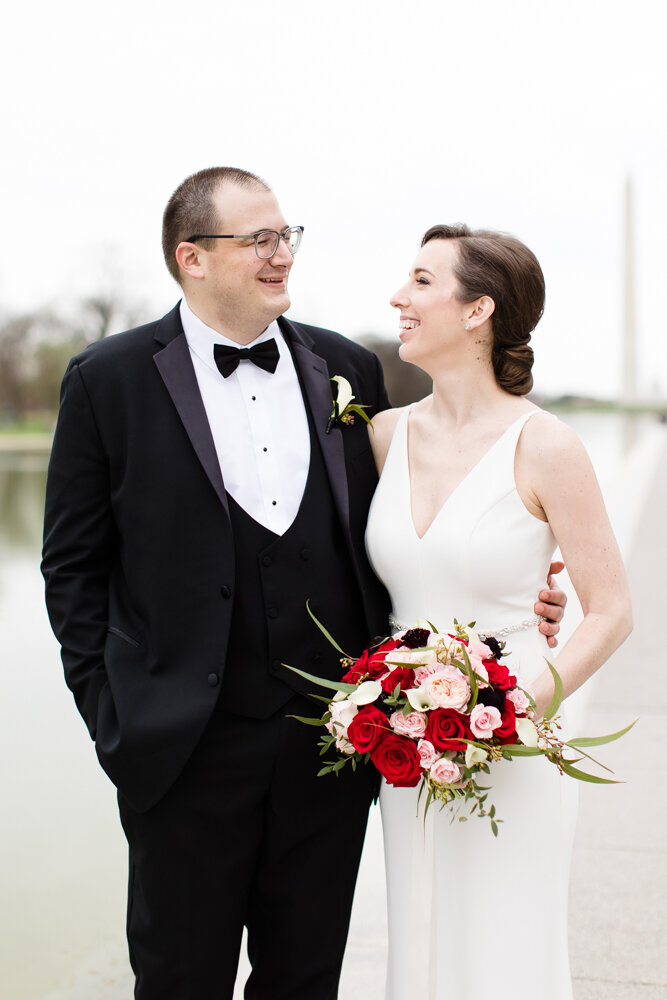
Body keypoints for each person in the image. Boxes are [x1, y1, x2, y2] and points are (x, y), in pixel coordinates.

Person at [41, 172, 566, 1000]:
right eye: (259, 239)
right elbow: (71, 569)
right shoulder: (106, 379)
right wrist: (115, 719)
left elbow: (424, 526)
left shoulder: (348, 369)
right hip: (179, 751)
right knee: (179, 980)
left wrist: (525, 592)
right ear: (192, 258)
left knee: (305, 980)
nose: (281, 254)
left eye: (287, 235)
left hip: (329, 750)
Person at [365, 224, 633, 1000]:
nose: (397, 298)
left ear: (477, 309)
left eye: (420, 281)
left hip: (511, 732)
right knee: (418, 934)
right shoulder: (384, 437)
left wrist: (510, 710)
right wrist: (388, 703)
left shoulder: (544, 445)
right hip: (402, 734)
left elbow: (610, 610)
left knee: (505, 940)